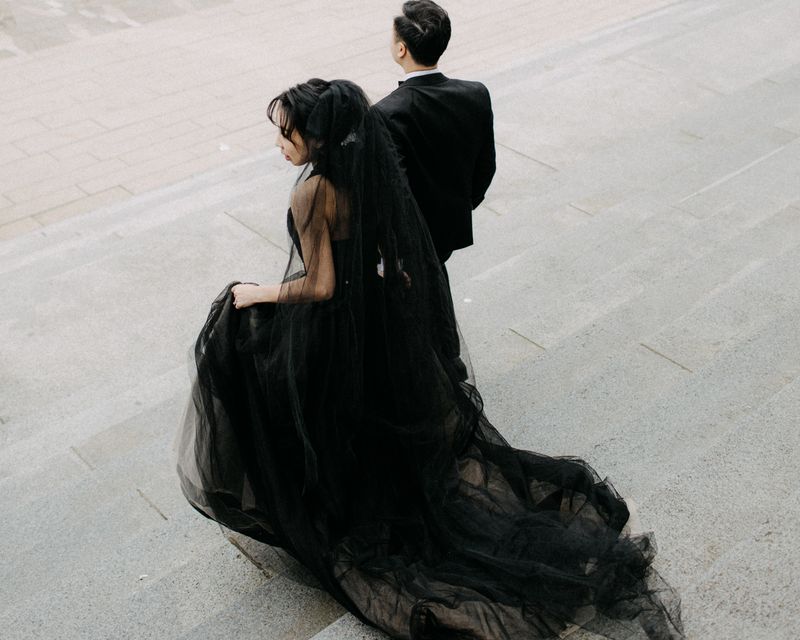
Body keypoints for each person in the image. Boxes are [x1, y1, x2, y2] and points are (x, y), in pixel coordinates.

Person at [177, 78, 684, 640]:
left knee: (252, 345)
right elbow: (385, 252)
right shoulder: (362, 168)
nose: (278, 141)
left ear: (315, 136)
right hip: (374, 318)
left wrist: (257, 293)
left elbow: (319, 286)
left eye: (285, 131)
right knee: (378, 416)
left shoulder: (311, 192)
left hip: (334, 326)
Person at [375, 0, 495, 267]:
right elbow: (485, 169)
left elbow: (394, 190)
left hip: (408, 246)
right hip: (448, 232)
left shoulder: (386, 113)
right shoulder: (475, 94)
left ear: (401, 49)